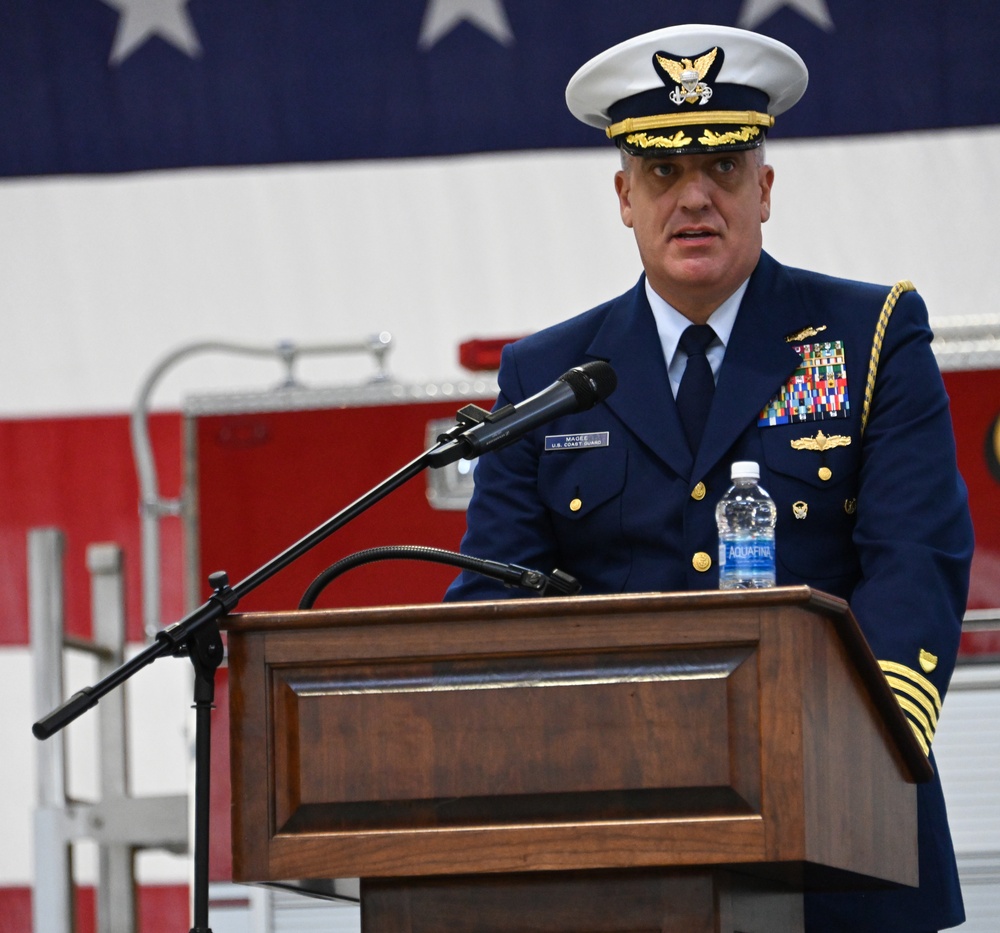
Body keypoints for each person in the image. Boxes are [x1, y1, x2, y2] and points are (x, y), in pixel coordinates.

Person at [444, 23, 974, 933]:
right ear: (622, 196)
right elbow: (492, 596)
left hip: (841, 837)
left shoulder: (871, 333)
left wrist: (863, 750)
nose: (694, 198)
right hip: (612, 842)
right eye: (661, 173)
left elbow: (914, 563)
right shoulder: (547, 375)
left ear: (764, 189)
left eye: (723, 168)